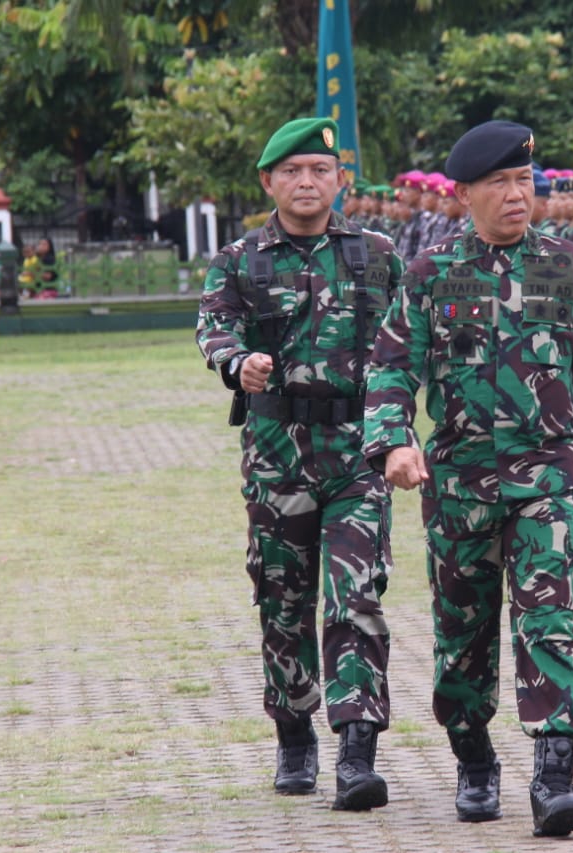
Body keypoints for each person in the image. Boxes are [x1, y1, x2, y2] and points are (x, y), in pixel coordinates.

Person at [362, 119, 573, 837]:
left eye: (524, 181)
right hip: (459, 482)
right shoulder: (431, 276)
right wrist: (394, 442)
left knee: (549, 620)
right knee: (464, 629)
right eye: (500, 184)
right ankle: (472, 752)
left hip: (549, 473)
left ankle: (553, 776)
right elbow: (393, 367)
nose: (517, 195)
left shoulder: (567, 264)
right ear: (465, 195)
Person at [196, 117, 402, 811]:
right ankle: (293, 730)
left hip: (357, 455)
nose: (307, 182)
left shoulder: (376, 253)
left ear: (339, 178)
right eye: (293, 172)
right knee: (283, 602)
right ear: (268, 182)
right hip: (278, 456)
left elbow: (407, 339)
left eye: (320, 169)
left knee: (356, 598)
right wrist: (238, 361)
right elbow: (213, 327)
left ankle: (356, 747)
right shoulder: (241, 259)